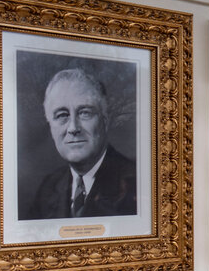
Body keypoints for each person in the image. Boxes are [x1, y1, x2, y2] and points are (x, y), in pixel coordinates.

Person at [26, 68, 136, 220]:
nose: (73, 128)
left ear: (105, 120)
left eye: (85, 113)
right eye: (62, 115)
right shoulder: (48, 188)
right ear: (51, 127)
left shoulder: (136, 182)